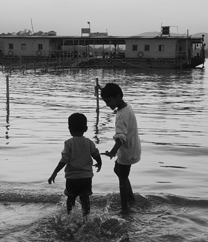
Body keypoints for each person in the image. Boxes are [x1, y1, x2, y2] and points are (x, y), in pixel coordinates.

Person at [48, 113, 102, 216]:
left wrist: (54, 173)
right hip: (86, 177)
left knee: (71, 197)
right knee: (85, 198)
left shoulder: (69, 143)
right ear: (86, 128)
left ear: (69, 128)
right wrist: (100, 163)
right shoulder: (89, 142)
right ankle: (86, 217)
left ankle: (69, 215)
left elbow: (64, 160)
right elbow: (96, 154)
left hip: (72, 178)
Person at [100, 82, 141, 211]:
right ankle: (131, 200)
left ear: (118, 97)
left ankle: (125, 208)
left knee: (122, 176)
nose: (107, 104)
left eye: (109, 101)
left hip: (127, 151)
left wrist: (112, 152)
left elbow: (121, 138)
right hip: (132, 148)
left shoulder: (122, 115)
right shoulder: (126, 107)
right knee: (118, 171)